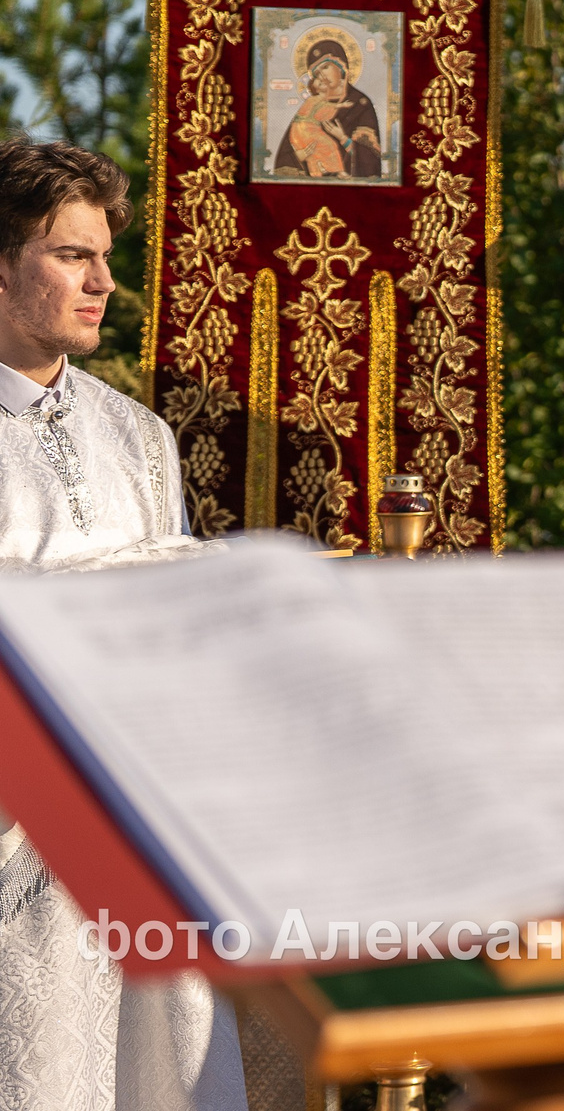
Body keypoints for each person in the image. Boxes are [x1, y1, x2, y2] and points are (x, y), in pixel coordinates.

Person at [0, 136, 249, 1110]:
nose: (103, 281)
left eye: (106, 257)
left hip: (135, 833)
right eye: (71, 255)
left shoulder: (140, 439)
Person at [271, 40, 382, 181]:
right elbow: (284, 157)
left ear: (341, 66)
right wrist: (299, 155)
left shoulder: (360, 105)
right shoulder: (311, 105)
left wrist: (343, 139)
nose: (321, 76)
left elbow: (371, 160)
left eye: (325, 67)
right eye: (316, 73)